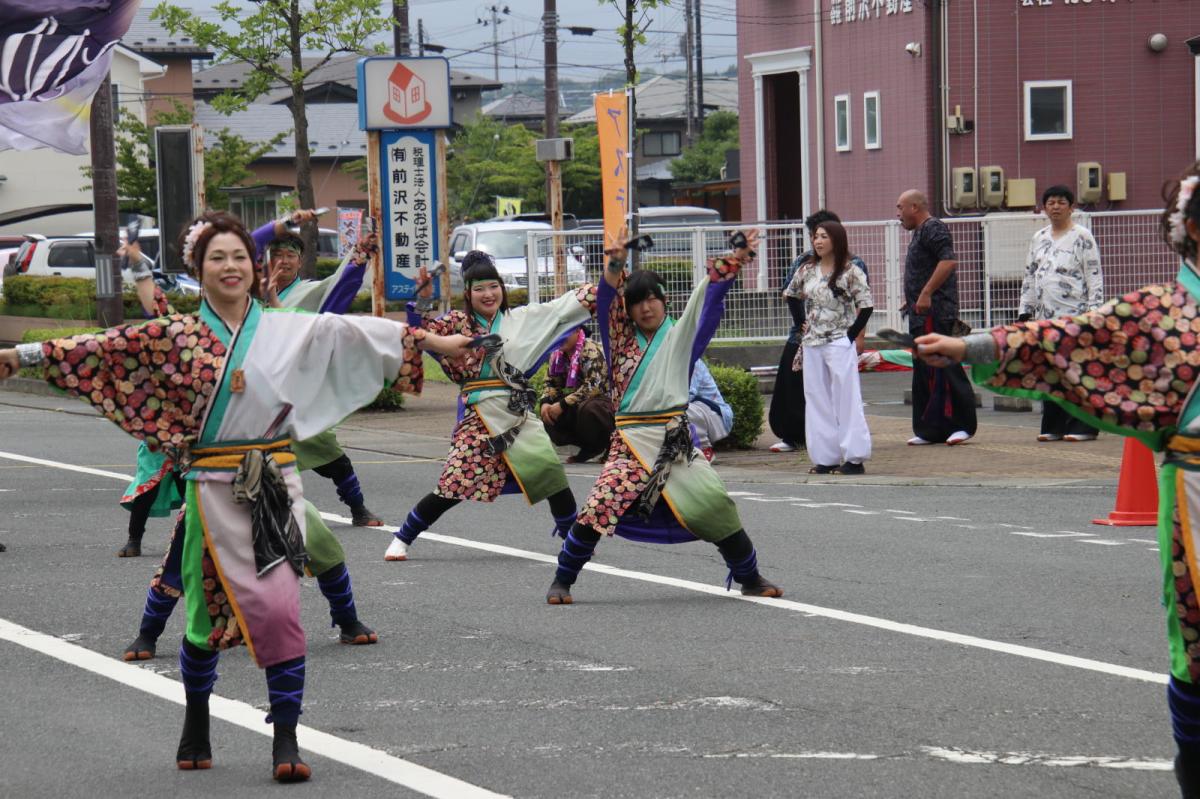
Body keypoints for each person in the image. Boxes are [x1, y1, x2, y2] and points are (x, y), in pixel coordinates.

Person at [0, 210, 472, 782]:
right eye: (217, 258)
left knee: (280, 609)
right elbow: (108, 346)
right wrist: (22, 356)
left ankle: (287, 735)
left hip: (272, 483)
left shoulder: (284, 326)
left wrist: (438, 340)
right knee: (201, 622)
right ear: (199, 270)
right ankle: (196, 717)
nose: (230, 266)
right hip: (208, 491)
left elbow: (358, 331)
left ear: (255, 266)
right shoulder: (175, 334)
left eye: (240, 257)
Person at [912, 160, 1200, 799]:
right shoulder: (1164, 317)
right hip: (1198, 512)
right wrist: (973, 346)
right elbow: (1071, 337)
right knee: (1199, 670)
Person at [545, 231, 782, 605]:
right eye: (637, 302)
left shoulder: (682, 337)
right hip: (630, 442)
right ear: (629, 309)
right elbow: (606, 300)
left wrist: (734, 259)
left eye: (653, 298)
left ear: (665, 300)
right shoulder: (618, 340)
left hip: (675, 440)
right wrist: (616, 263)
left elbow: (709, 304)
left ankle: (749, 576)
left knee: (715, 504)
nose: (646, 307)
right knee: (598, 507)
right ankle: (562, 580)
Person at [384, 252, 597, 563]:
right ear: (468, 294)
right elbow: (419, 333)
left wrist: (612, 279)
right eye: (480, 288)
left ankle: (572, 540)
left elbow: (563, 307)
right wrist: (423, 301)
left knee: (551, 475)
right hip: (479, 414)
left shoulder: (522, 318)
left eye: (494, 286)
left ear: (502, 288)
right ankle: (403, 536)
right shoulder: (457, 323)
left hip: (515, 413)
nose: (489, 294)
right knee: (454, 483)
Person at [251, 210, 384, 526]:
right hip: (255, 392)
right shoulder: (247, 295)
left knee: (327, 451)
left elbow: (338, 287)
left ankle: (358, 507)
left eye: (290, 256)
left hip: (298, 390)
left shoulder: (309, 293)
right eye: (277, 255)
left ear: (300, 262)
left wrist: (359, 255)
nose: (283, 261)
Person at [769, 209, 868, 453]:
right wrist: (801, 323)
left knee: (845, 399)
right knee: (815, 398)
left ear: (837, 236)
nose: (818, 240)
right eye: (815, 235)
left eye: (824, 235)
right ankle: (823, 455)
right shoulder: (806, 266)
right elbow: (790, 294)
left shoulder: (852, 267)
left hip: (839, 341)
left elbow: (865, 305)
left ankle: (854, 454)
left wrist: (854, 336)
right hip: (810, 341)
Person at [1019, 184, 1104, 443]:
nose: (1055, 207)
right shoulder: (1039, 237)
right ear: (1044, 208)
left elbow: (1094, 275)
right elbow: (1030, 275)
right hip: (1046, 318)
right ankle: (1053, 425)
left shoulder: (1082, 236)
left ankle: (1083, 426)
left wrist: (1094, 311)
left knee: (1076, 370)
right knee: (1051, 370)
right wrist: (1025, 309)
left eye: (1061, 202)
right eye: (1050, 202)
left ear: (1071, 207)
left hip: (1076, 316)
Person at [896, 189, 976, 446]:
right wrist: (913, 297)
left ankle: (962, 425)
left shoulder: (933, 228)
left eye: (900, 208)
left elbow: (948, 262)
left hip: (937, 312)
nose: (898, 214)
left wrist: (927, 293)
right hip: (920, 314)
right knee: (923, 369)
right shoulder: (919, 233)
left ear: (914, 208)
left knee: (945, 365)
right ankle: (930, 429)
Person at [539, 327, 614, 463]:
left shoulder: (590, 350)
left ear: (577, 331)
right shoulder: (557, 354)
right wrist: (545, 402)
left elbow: (594, 386)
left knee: (590, 409)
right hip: (581, 401)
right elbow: (550, 382)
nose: (560, 337)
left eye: (564, 332)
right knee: (549, 412)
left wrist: (563, 404)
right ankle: (590, 447)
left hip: (607, 402)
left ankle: (611, 445)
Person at [688, 358, 733, 462]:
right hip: (701, 413)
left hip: (716, 416)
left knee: (681, 408)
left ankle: (704, 448)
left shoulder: (691, 361)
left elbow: (687, 394)